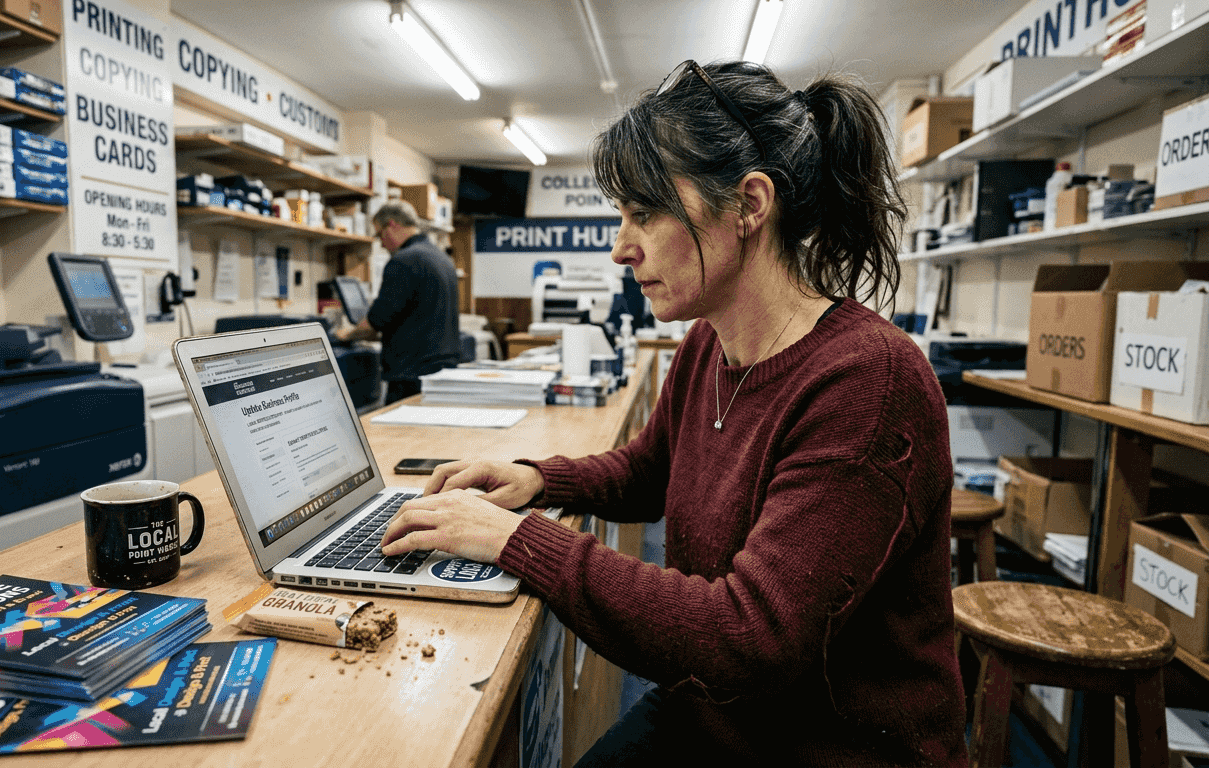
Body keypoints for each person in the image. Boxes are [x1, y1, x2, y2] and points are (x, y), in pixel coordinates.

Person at [381, 59, 968, 766]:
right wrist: (538, 480)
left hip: (822, 743)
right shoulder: (706, 346)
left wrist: (518, 543)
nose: (621, 247)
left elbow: (750, 638)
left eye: (645, 214)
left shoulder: (868, 380)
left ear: (750, 204)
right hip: (717, 711)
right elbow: (651, 468)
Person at [336, 199, 460, 405]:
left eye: (380, 235)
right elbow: (418, 317)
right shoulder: (442, 258)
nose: (382, 243)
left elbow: (376, 321)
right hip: (443, 373)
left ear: (392, 225)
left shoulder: (403, 261)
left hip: (411, 377)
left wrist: (344, 335)